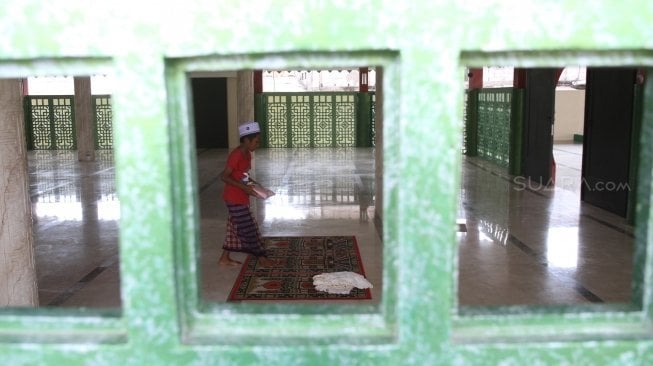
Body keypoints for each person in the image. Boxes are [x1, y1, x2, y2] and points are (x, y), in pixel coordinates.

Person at [218, 121, 276, 267]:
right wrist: (244, 188)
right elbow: (224, 176)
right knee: (249, 228)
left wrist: (259, 189)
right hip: (234, 198)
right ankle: (261, 256)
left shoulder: (247, 154)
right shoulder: (236, 155)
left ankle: (224, 259)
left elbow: (244, 176)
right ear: (246, 140)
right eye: (256, 141)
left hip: (241, 197)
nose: (257, 144)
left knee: (234, 228)